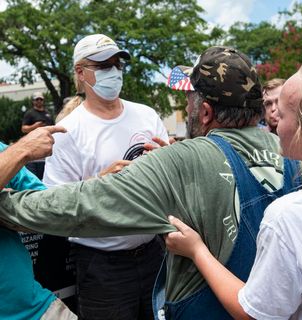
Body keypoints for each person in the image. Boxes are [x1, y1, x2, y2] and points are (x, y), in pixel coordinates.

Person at [0, 47, 302, 320]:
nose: (186, 106)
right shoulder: (295, 153)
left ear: (204, 112)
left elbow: (80, 205)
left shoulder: (181, 157)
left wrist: (6, 204)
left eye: (189, 98)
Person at [165, 59, 302, 319]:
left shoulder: (290, 217)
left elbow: (253, 313)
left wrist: (196, 250)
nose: (272, 123)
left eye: (280, 116)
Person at [43, 33, 169, 320]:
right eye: (102, 66)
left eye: (116, 64)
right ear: (80, 72)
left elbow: (173, 182)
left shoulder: (147, 116)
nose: (112, 72)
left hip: (153, 254)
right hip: (101, 267)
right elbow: (52, 204)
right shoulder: (68, 130)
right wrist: (99, 184)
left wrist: (169, 162)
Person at [0, 125, 79, 319]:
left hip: (36, 307)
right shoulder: (14, 153)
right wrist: (23, 149)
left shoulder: (3, 152)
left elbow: (49, 210)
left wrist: (96, 183)